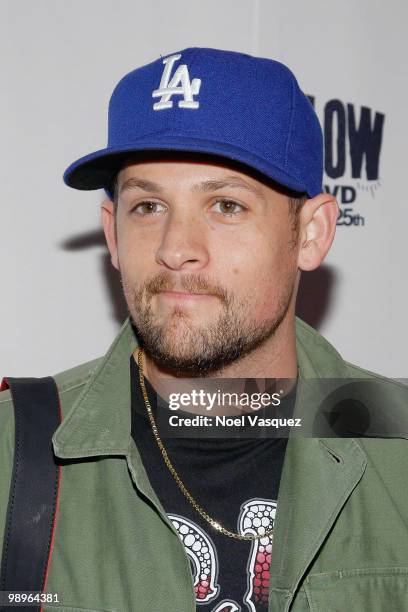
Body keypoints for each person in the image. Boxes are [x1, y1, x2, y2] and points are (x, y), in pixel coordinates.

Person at [1, 47, 407, 612]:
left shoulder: (398, 447)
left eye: (226, 206)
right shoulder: (12, 449)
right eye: (147, 206)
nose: (175, 250)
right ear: (111, 235)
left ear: (311, 234)